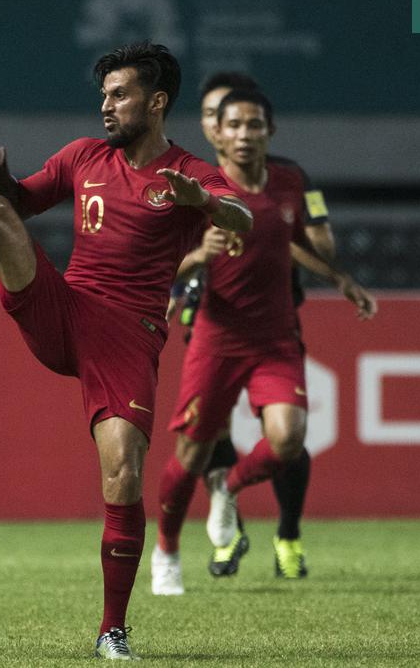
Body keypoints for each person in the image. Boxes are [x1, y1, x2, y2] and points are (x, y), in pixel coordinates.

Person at [0, 42, 252, 660]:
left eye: (120, 95)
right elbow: (18, 199)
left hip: (127, 336)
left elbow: (242, 218)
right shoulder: (84, 156)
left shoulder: (189, 173)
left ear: (157, 101)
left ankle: (113, 629)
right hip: (64, 308)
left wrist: (205, 203)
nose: (105, 106)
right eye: (103, 95)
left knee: (124, 473)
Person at [150, 89, 376, 597]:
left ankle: (228, 489)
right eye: (234, 126)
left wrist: (340, 278)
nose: (244, 134)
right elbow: (164, 263)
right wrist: (197, 258)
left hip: (276, 336)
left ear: (270, 132)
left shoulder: (290, 182)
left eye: (254, 125)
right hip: (216, 337)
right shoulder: (200, 190)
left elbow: (291, 242)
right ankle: (165, 548)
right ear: (217, 133)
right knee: (191, 453)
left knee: (288, 440)